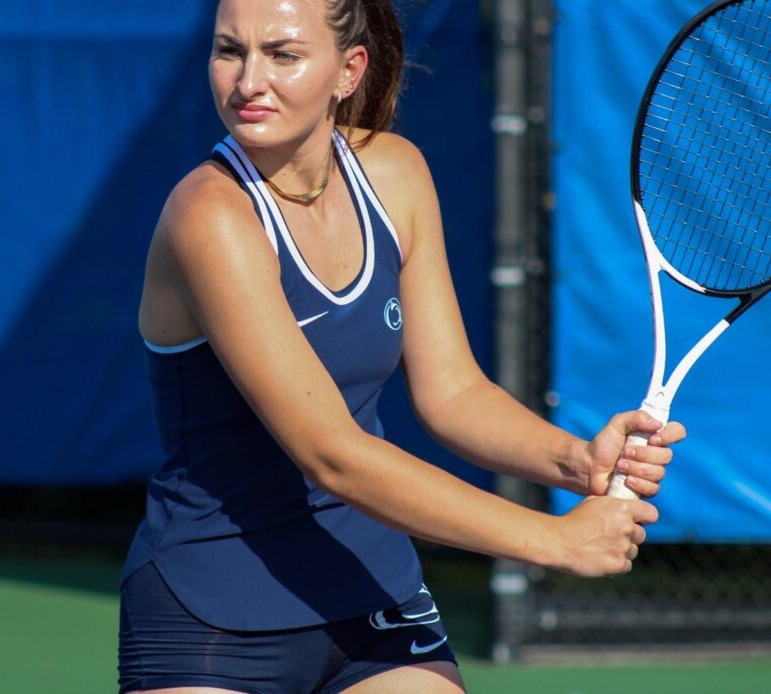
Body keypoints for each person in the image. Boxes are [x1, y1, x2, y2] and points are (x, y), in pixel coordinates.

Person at [119, 0, 686, 691]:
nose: (247, 81)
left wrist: (574, 460)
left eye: (283, 54)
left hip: (371, 597)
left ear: (347, 70)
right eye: (229, 51)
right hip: (214, 612)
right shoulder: (209, 218)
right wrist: (553, 539)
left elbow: (452, 393)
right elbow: (334, 455)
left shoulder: (396, 174)